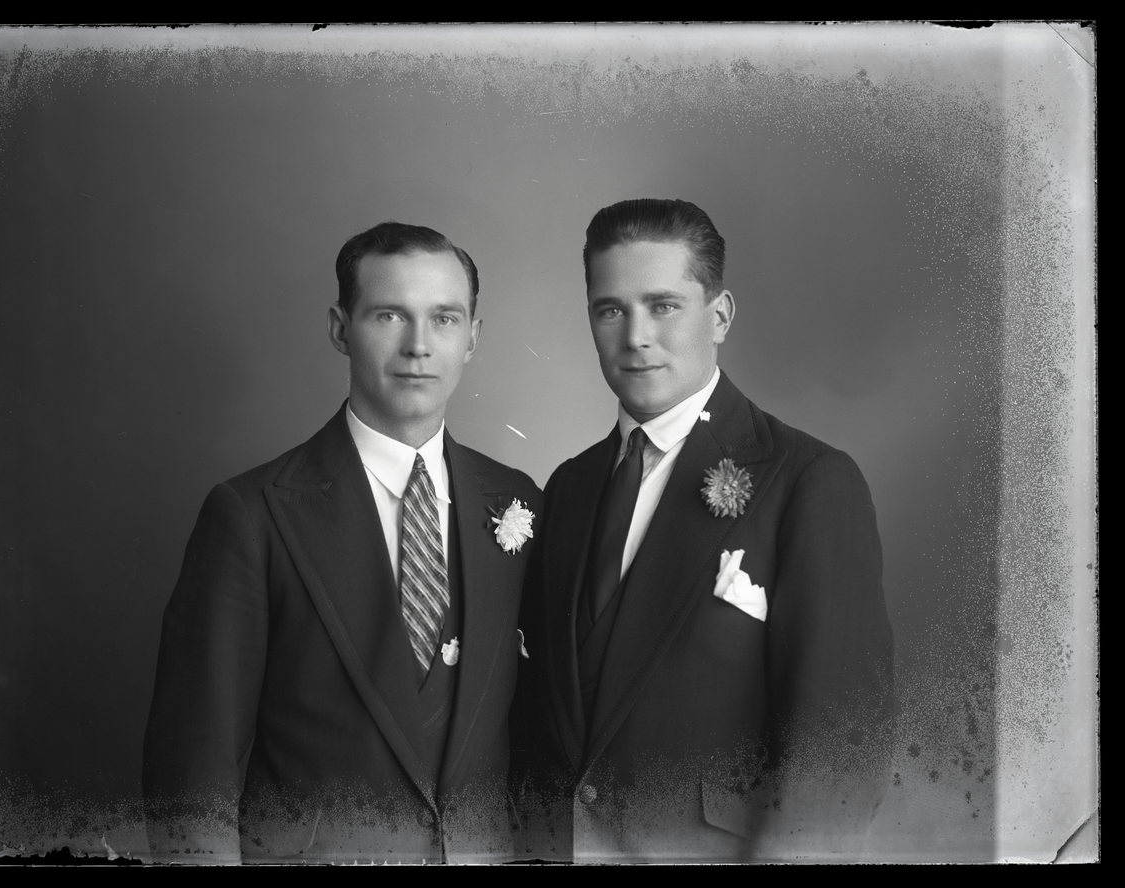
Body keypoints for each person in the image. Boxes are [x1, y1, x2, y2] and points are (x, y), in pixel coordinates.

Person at [143, 222, 542, 864]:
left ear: (472, 337)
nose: (419, 346)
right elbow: (194, 776)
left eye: (444, 318)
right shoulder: (251, 514)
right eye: (390, 315)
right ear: (340, 328)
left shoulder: (518, 500)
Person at [512, 198, 894, 862]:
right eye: (610, 310)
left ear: (719, 316)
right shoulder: (569, 487)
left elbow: (839, 757)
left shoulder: (808, 481)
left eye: (663, 306)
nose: (636, 337)